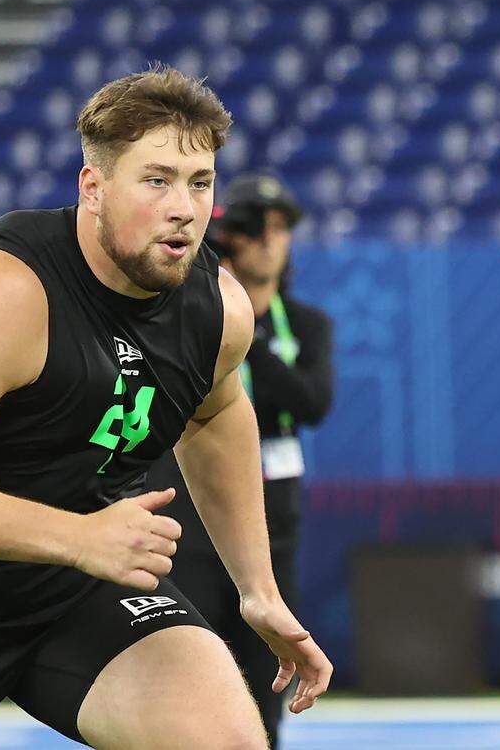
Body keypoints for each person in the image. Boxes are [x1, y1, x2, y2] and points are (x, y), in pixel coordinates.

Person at [0, 66, 333, 750]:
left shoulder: (217, 308)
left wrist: (258, 588)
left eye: (201, 182)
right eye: (157, 179)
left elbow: (217, 414)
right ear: (93, 188)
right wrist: (79, 536)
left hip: (78, 589)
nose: (184, 207)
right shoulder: (4, 290)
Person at [147, 173, 334, 749]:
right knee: (188, 665)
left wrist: (241, 332)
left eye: (281, 230)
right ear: (230, 239)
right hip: (190, 516)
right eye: (255, 230)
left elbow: (310, 402)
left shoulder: (304, 325)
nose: (270, 242)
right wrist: (224, 314)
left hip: (274, 519)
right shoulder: (183, 314)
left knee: (264, 671)